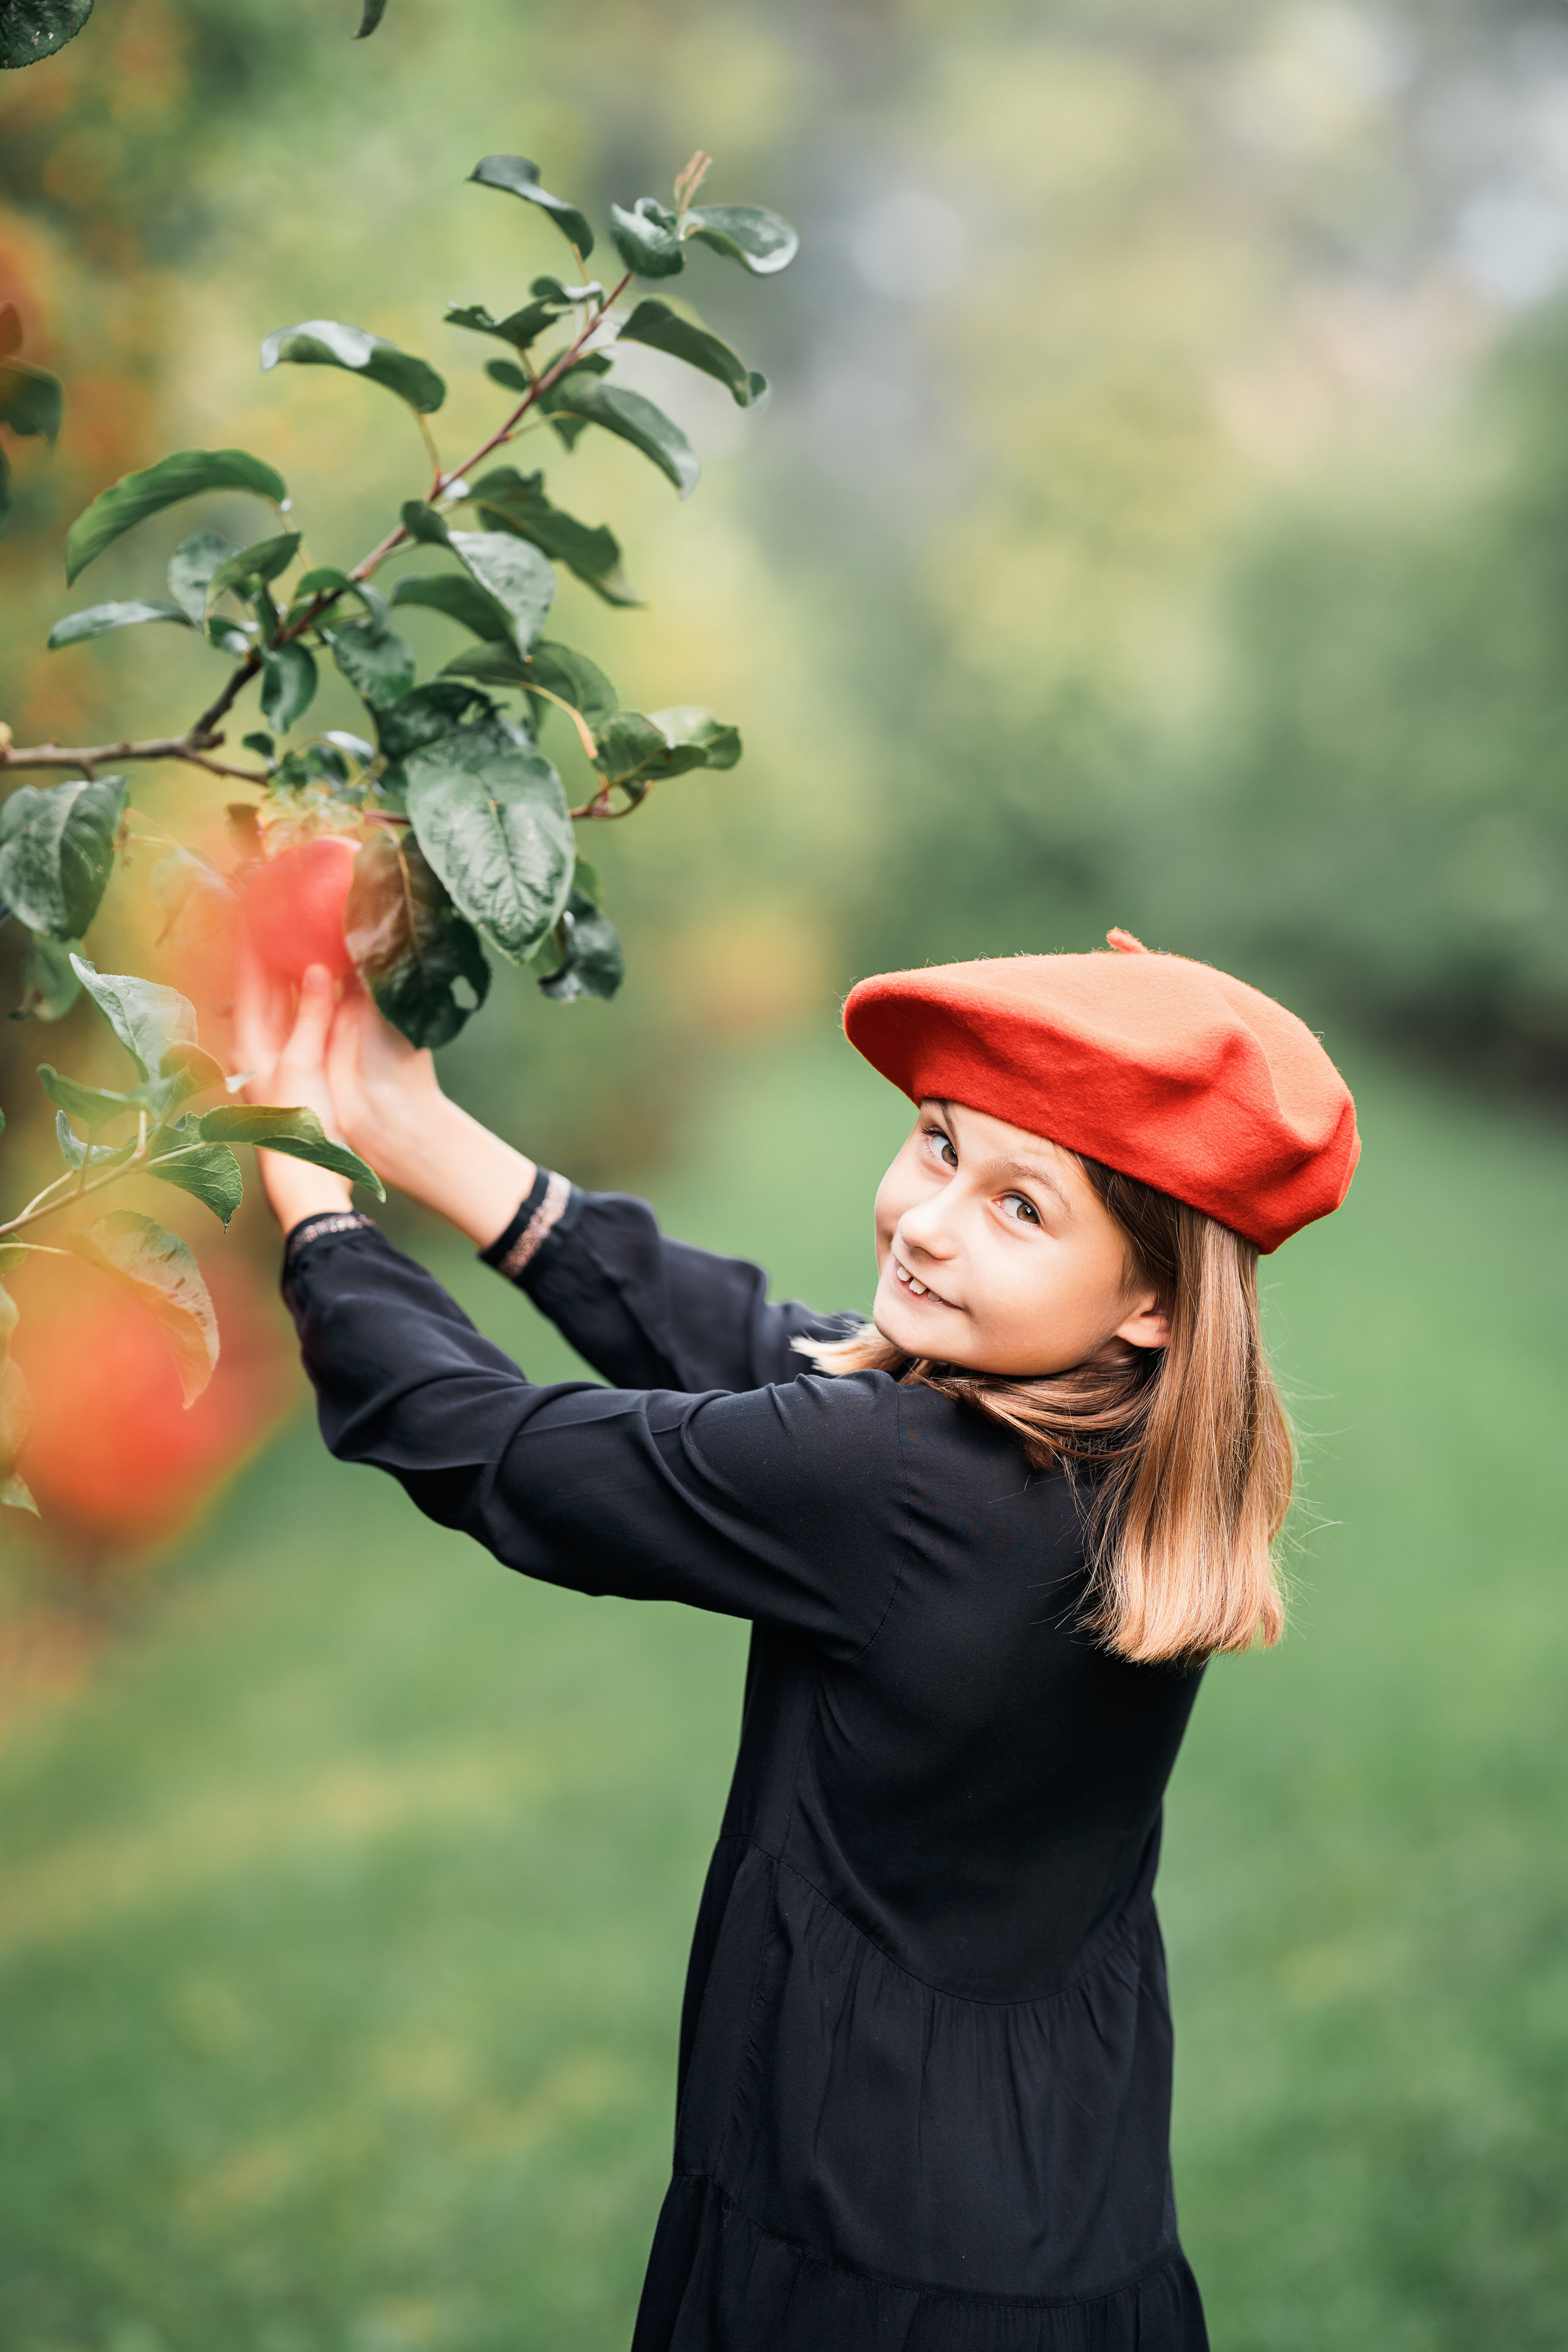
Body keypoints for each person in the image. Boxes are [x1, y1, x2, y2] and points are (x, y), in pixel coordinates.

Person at [235, 929, 1360, 2352]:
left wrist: (316, 1205)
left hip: (844, 2250)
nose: (929, 1220)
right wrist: (412, 1123)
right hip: (1066, 2232)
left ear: (1150, 1299)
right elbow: (755, 1343)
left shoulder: (887, 1477)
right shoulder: (1124, 1461)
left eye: (1021, 1208)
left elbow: (487, 1445)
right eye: (937, 1144)